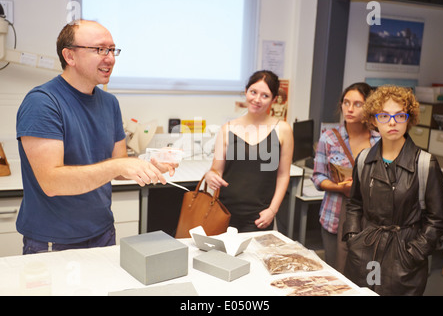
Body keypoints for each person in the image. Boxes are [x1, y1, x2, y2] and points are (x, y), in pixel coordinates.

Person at [16, 20, 176, 254]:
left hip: (102, 232)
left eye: (112, 50)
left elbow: (116, 166)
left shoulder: (109, 103)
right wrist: (120, 164)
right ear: (70, 56)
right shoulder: (42, 102)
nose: (110, 58)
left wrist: (145, 167)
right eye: (100, 49)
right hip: (54, 239)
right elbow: (52, 182)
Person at [343, 85, 443, 295]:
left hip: (404, 259)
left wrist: (413, 253)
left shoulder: (425, 164)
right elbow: (355, 204)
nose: (392, 122)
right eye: (384, 116)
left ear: (409, 119)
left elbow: (438, 220)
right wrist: (353, 238)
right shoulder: (364, 159)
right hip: (365, 252)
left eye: (400, 116)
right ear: (373, 120)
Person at [205, 70, 294, 232]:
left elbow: (283, 175)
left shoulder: (283, 130)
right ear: (246, 92)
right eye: (253, 92)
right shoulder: (227, 129)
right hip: (224, 212)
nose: (257, 99)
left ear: (274, 99)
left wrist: (272, 211)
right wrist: (210, 175)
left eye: (265, 95)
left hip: (260, 216)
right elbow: (215, 170)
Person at [311, 83, 380, 271]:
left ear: (369, 107)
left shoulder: (379, 141)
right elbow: (318, 177)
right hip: (334, 215)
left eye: (358, 104)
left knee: (362, 272)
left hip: (368, 218)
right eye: (346, 102)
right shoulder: (329, 138)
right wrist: (340, 187)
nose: (350, 109)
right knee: (335, 271)